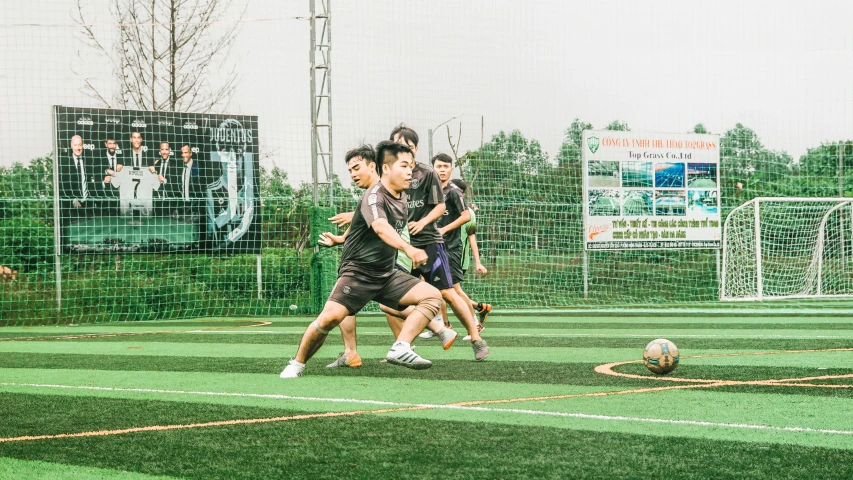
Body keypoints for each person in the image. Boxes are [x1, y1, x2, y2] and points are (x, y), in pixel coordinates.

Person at [280, 141, 443, 378]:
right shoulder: (374, 195)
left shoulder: (402, 197)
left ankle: (401, 346)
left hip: (386, 274)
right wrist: (408, 249)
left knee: (432, 295)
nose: (411, 171)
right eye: (405, 165)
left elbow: (362, 223)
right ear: (385, 168)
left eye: (412, 166)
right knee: (329, 319)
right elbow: (380, 227)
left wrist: (340, 238)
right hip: (357, 274)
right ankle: (297, 364)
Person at [388, 125, 488, 361]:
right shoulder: (390, 175)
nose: (404, 151)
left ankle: (476, 338)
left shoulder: (427, 174)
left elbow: (441, 207)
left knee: (448, 292)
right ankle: (402, 347)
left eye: (408, 147)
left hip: (430, 243)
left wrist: (422, 223)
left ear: (416, 148)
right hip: (403, 247)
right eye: (398, 146)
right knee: (389, 299)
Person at [60, 135, 93, 220]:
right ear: (71, 145)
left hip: (88, 206)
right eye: (75, 145)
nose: (78, 148)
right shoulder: (64, 161)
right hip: (71, 208)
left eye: (80, 145)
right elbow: (63, 185)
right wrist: (73, 199)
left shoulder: (89, 159)